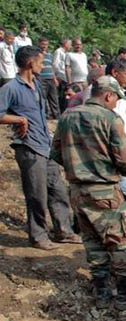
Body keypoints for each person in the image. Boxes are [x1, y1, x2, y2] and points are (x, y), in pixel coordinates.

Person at [51, 75, 126, 309]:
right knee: (120, 242)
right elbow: (125, 158)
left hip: (77, 190)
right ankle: (125, 294)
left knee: (92, 242)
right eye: (116, 99)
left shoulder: (67, 116)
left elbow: (55, 153)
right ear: (108, 95)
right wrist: (115, 169)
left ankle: (102, 292)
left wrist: (79, 169)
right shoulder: (110, 119)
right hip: (104, 190)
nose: (116, 104)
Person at [0, 46, 80, 250]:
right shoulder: (11, 88)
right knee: (37, 194)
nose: (42, 66)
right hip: (28, 147)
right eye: (40, 61)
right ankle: (38, 236)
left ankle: (64, 231)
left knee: (58, 190)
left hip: (45, 146)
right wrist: (18, 119)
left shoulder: (37, 85)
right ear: (30, 63)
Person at [37, 38, 60, 120]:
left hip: (50, 78)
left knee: (54, 98)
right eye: (43, 44)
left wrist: (55, 78)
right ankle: (45, 115)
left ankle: (56, 115)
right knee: (43, 98)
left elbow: (51, 67)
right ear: (39, 44)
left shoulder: (49, 55)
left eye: (46, 44)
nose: (44, 46)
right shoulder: (36, 54)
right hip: (41, 78)